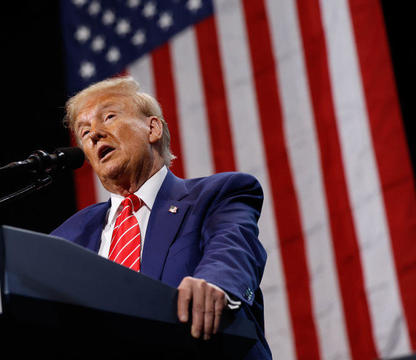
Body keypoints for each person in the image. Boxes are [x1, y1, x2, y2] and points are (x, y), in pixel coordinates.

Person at [51, 76, 270, 358]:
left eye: (109, 116)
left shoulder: (216, 195)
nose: (94, 134)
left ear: (152, 128)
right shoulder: (67, 238)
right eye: (84, 132)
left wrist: (216, 284)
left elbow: (233, 247)